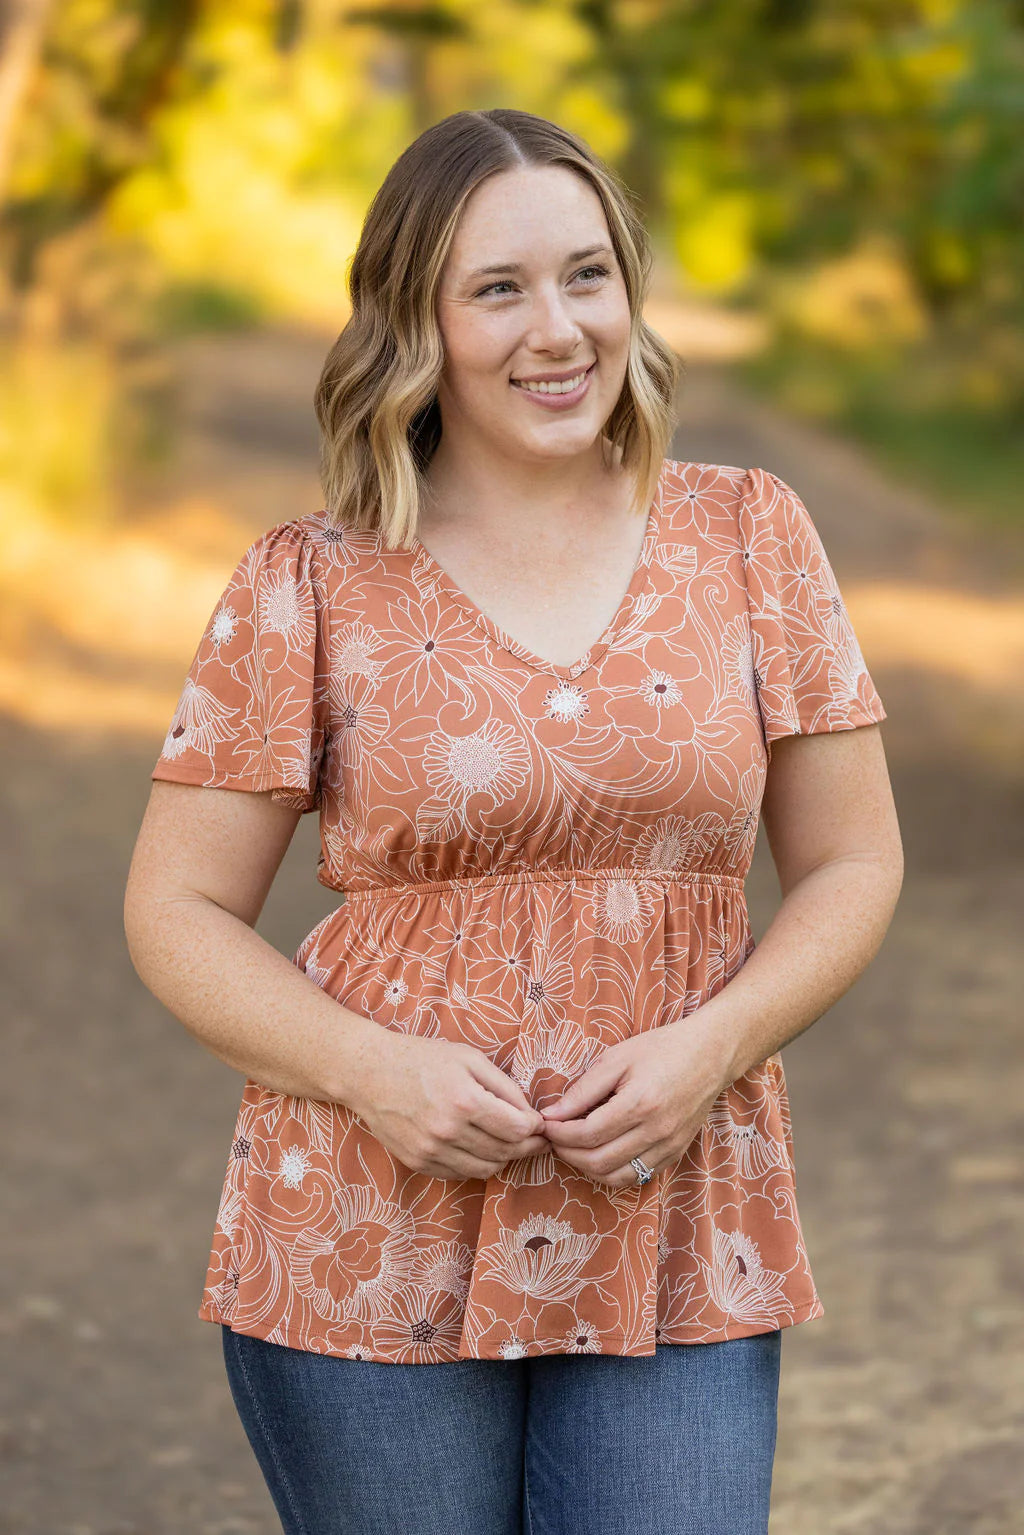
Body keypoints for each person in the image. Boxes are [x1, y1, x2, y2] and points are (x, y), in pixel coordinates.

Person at [124, 107, 903, 1535]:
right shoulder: (315, 578)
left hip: (675, 1213)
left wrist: (711, 1047)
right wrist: (371, 1071)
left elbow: (854, 860)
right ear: (414, 320)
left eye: (587, 275)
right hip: (371, 1222)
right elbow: (174, 913)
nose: (560, 329)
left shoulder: (748, 533)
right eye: (499, 288)